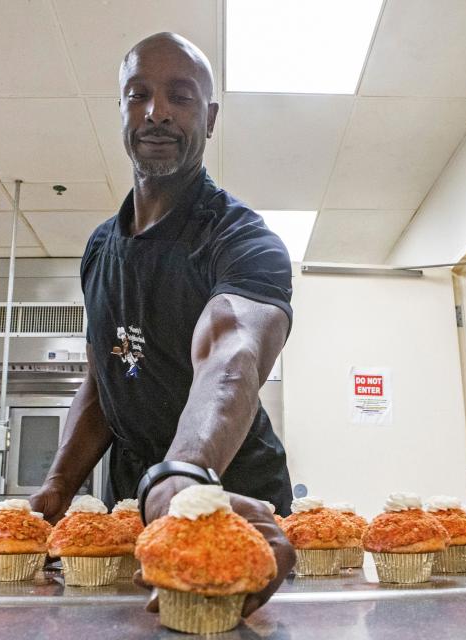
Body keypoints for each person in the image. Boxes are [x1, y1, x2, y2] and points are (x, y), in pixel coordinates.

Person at [30, 32, 295, 615]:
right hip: (135, 503)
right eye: (138, 94)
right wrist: (56, 490)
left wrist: (181, 482)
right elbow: (105, 377)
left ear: (211, 116)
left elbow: (232, 356)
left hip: (231, 496)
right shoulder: (99, 249)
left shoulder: (243, 239)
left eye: (181, 95)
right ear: (122, 109)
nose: (157, 111)